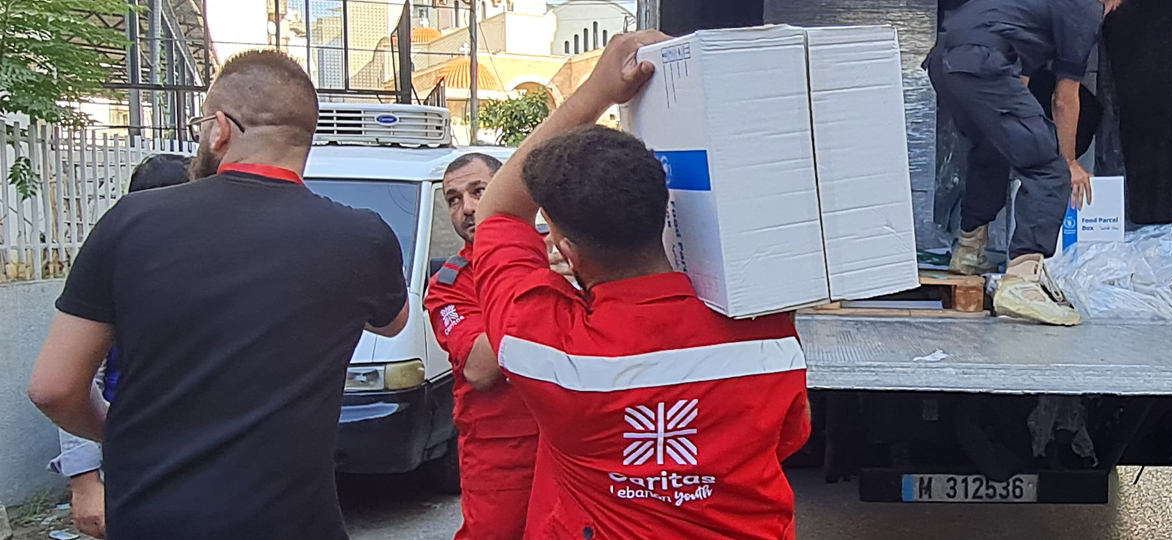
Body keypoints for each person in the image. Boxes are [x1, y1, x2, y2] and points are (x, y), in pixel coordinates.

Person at [27, 50, 409, 540]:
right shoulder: (361, 238)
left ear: (219, 129)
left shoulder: (131, 222)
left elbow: (53, 387)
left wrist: (118, 432)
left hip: (153, 520)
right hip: (296, 524)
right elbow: (392, 322)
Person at [471, 31, 811, 539]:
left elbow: (499, 209)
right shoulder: (768, 329)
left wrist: (597, 91)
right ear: (663, 211)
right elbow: (787, 439)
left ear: (566, 251)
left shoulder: (543, 345)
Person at [925, 0, 1125, 325]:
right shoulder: (1084, 7)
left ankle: (969, 250)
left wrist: (1022, 139)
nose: (1113, 10)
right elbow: (1065, 98)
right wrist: (1069, 161)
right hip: (980, 60)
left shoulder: (1034, 10)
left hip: (945, 61)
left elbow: (1021, 85)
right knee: (1049, 167)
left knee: (992, 149)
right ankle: (1022, 281)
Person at [46, 153, 191, 539]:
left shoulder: (210, 271)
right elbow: (68, 385)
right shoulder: (112, 275)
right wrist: (85, 481)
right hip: (137, 463)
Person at [423, 153, 539, 540]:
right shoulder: (449, 285)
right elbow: (481, 368)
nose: (467, 208)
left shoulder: (553, 252)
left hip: (571, 437)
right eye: (454, 199)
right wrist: (543, 292)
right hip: (502, 453)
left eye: (479, 192)